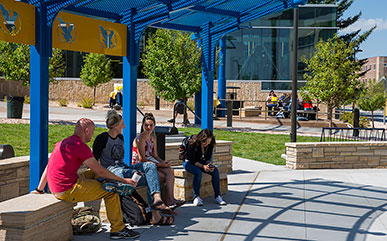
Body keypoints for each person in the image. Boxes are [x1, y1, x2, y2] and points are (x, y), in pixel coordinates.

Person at [31, 118, 140, 239]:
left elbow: (49, 166)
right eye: (92, 132)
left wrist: (40, 189)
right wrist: (123, 180)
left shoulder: (63, 143)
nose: (93, 135)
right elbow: (99, 169)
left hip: (58, 185)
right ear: (86, 130)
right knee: (111, 192)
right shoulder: (80, 146)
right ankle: (118, 229)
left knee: (94, 174)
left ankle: (107, 182)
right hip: (67, 189)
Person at [92, 110, 175, 225]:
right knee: (127, 173)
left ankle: (156, 201)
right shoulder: (102, 138)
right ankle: (116, 184)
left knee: (150, 168)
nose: (124, 125)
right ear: (116, 126)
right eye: (122, 123)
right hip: (112, 171)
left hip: (123, 168)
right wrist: (100, 176)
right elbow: (93, 161)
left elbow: (120, 160)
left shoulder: (120, 138)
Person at [132, 113, 184, 208]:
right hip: (142, 166)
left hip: (152, 162)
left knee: (170, 170)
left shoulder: (153, 138)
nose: (148, 127)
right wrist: (160, 165)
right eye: (146, 125)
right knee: (161, 176)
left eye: (151, 125)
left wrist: (163, 162)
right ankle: (167, 201)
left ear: (154, 126)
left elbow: (155, 155)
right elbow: (142, 159)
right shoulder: (140, 139)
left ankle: (171, 199)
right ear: (142, 125)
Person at [183, 128, 226, 206]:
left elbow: (207, 158)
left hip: (201, 162)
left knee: (215, 171)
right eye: (204, 142)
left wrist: (209, 164)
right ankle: (196, 197)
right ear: (200, 139)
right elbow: (192, 160)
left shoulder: (210, 144)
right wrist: (203, 166)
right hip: (189, 163)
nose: (206, 144)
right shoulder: (192, 142)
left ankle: (217, 196)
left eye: (208, 142)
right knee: (198, 172)